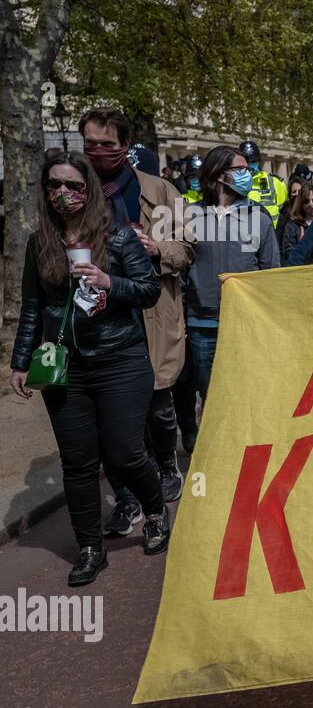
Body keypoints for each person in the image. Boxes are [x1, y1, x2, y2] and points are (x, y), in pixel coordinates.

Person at [9, 150, 169, 586]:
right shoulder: (39, 242)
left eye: (74, 186)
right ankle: (90, 548)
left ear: (89, 190)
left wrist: (108, 282)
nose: (64, 194)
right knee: (78, 463)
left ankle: (155, 511)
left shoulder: (117, 237)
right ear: (45, 191)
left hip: (121, 360)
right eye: (55, 186)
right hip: (65, 368)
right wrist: (21, 362)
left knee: (125, 453)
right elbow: (31, 307)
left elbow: (148, 289)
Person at [78, 107, 194, 527]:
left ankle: (165, 464)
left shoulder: (161, 192)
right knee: (110, 411)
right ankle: (127, 496)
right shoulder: (75, 189)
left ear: (125, 147)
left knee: (159, 404)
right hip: (101, 316)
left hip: (153, 312)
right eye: (90, 143)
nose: (97, 151)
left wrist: (155, 250)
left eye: (107, 144)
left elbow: (187, 247)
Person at [185, 146, 279, 399]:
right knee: (211, 399)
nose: (246, 175)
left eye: (247, 169)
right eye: (240, 170)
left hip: (246, 325)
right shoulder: (190, 215)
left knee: (247, 397)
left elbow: (272, 273)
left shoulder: (259, 216)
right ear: (218, 175)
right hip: (202, 325)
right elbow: (181, 268)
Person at [240, 139, 289, 228]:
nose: (250, 165)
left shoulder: (275, 182)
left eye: (253, 161)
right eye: (247, 162)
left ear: (259, 161)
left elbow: (284, 213)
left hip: (271, 234)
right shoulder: (233, 182)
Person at [278, 182, 313, 262]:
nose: (311, 204)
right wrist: (302, 246)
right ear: (301, 204)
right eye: (306, 201)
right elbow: (288, 256)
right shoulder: (292, 226)